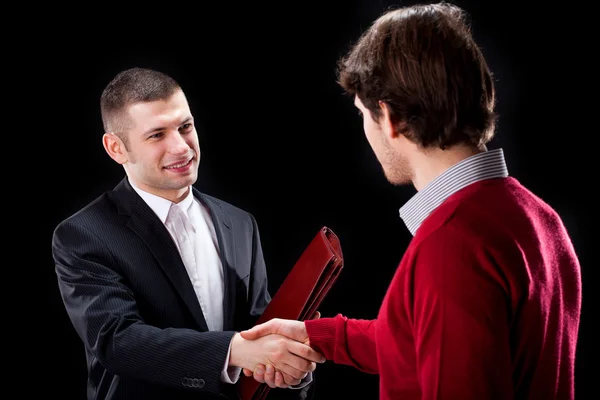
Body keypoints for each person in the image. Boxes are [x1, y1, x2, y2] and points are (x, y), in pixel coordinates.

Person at [239, 2, 582, 399]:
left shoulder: (451, 245)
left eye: (362, 115)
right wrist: (319, 337)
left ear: (389, 118)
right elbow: (429, 341)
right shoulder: (539, 217)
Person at [51, 67, 324, 400]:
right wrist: (235, 350)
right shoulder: (83, 234)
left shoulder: (239, 223)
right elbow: (116, 340)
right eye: (157, 135)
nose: (181, 147)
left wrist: (288, 364)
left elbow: (258, 327)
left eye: (185, 127)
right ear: (116, 148)